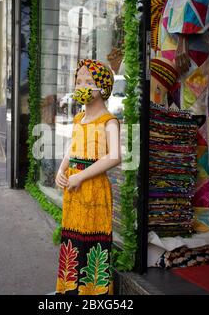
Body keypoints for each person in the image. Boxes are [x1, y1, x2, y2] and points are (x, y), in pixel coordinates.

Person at [156, 0, 209, 235]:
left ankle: (188, 215)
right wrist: (182, 38)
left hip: (189, 44)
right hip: (191, 48)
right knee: (200, 130)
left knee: (195, 130)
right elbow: (192, 3)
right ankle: (200, 216)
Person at [55, 59, 121, 295]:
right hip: (73, 189)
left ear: (102, 88)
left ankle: (93, 294)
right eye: (79, 81)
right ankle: (70, 291)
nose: (81, 85)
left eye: (89, 82)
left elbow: (114, 157)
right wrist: (61, 170)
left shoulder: (109, 121)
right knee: (72, 237)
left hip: (94, 189)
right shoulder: (77, 119)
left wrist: (81, 176)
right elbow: (72, 148)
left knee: (93, 239)